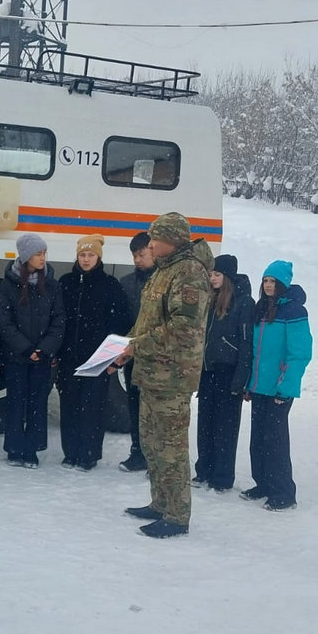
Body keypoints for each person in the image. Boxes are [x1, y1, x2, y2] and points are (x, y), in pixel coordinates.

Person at [113, 212, 213, 538]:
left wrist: (135, 346)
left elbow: (183, 329)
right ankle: (159, 503)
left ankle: (177, 515)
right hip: (151, 372)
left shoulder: (188, 274)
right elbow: (149, 322)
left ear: (172, 240)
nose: (150, 244)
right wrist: (124, 344)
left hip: (172, 377)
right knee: (152, 445)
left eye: (155, 238)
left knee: (171, 448)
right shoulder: (163, 271)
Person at [242, 261, 312, 511]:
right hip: (260, 387)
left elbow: (300, 353)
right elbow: (255, 351)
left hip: (279, 389)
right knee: (258, 439)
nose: (268, 285)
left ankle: (283, 492)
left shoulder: (294, 311)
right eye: (265, 281)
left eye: (273, 281)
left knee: (275, 441)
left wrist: (286, 386)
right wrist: (250, 383)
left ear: (283, 284)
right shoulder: (262, 309)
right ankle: (263, 483)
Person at [56, 234, 130, 471]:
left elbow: (120, 324)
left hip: (97, 358)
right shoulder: (66, 282)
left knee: (92, 408)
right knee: (69, 406)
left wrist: (112, 358)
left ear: (98, 257)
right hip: (68, 357)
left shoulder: (110, 285)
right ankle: (70, 452)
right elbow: (56, 319)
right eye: (82, 254)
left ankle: (88, 454)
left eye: (90, 255)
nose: (86, 259)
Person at [0, 233, 66, 469]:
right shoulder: (8, 285)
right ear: (26, 257)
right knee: (15, 403)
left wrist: (44, 349)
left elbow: (59, 321)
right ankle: (15, 448)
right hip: (18, 356)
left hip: (42, 357)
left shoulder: (52, 285)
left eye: (44, 253)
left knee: (38, 404)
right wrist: (26, 349)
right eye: (38, 254)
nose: (43, 258)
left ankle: (32, 449)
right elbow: (4, 322)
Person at [193, 254, 254, 493]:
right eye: (211, 274)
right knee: (205, 423)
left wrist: (241, 378)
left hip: (229, 371)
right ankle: (203, 469)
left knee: (225, 427)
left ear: (227, 276)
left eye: (217, 274)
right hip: (208, 370)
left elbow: (247, 342)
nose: (213, 278)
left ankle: (222, 475)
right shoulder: (208, 299)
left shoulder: (243, 302)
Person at [118, 231, 155, 472]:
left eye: (141, 254)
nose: (137, 260)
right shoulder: (127, 283)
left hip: (155, 357)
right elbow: (121, 318)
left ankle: (153, 456)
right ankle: (137, 452)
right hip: (131, 353)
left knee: (153, 410)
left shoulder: (163, 281)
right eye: (134, 256)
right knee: (134, 405)